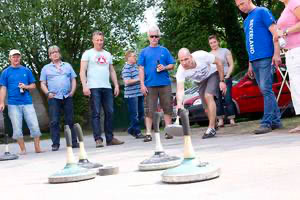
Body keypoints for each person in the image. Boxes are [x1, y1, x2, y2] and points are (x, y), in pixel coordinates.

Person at [235, 0, 282, 134]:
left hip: (266, 57)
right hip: (254, 60)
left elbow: (275, 32)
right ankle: (276, 121)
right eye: (238, 6)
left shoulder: (262, 11)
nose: (241, 7)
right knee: (265, 90)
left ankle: (266, 122)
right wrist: (250, 63)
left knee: (266, 89)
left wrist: (277, 53)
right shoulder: (246, 20)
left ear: (249, 0)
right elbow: (249, 43)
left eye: (242, 3)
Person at [80, 31, 124, 147]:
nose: (99, 42)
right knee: (96, 113)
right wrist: (85, 85)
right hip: (93, 87)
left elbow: (112, 70)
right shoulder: (88, 54)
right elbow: (82, 71)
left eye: (101, 40)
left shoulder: (107, 54)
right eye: (97, 40)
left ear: (103, 41)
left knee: (110, 112)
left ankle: (110, 139)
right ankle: (98, 139)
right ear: (93, 40)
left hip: (107, 87)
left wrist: (116, 85)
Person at [176, 48, 227, 139]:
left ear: (191, 57)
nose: (184, 63)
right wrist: (179, 104)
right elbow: (180, 90)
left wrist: (222, 81)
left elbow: (219, 62)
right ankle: (214, 124)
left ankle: (211, 128)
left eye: (186, 59)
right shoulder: (181, 70)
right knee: (206, 109)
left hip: (213, 74)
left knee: (208, 95)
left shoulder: (201, 55)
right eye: (181, 60)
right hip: (200, 82)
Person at [0, 49, 43, 154]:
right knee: (17, 128)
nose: (16, 58)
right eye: (14, 57)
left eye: (18, 56)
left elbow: (33, 85)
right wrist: (1, 102)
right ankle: (23, 150)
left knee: (34, 125)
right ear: (10, 58)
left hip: (27, 102)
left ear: (20, 58)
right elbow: (3, 88)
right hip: (13, 104)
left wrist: (26, 86)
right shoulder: (5, 72)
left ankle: (37, 148)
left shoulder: (26, 70)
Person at [138, 25, 175, 142]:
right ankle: (149, 133)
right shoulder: (143, 52)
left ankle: (168, 131)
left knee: (167, 107)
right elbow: (141, 69)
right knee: (149, 109)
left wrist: (164, 67)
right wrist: (142, 84)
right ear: (148, 37)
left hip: (164, 83)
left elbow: (172, 65)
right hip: (149, 84)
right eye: (151, 36)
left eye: (156, 36)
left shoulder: (164, 50)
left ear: (159, 37)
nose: (154, 38)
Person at [40, 45, 79, 151]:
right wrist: (48, 93)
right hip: (54, 98)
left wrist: (72, 91)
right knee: (54, 121)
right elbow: (42, 83)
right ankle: (55, 144)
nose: (55, 54)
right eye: (52, 53)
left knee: (70, 120)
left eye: (56, 51)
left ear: (59, 53)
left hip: (67, 96)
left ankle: (74, 142)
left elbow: (73, 80)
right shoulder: (46, 68)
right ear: (49, 56)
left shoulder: (67, 66)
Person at [276, 0, 300, 133]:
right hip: (291, 52)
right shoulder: (286, 7)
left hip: (298, 50)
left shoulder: (294, 2)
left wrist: (285, 32)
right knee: (297, 88)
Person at [208, 35, 236, 127]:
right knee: (218, 100)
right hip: (214, 78)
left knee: (228, 98)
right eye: (211, 43)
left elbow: (231, 64)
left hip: (226, 77)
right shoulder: (208, 55)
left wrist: (227, 76)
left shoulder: (225, 51)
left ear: (218, 42)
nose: (213, 44)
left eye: (214, 42)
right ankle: (220, 120)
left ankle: (231, 118)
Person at [122, 50, 145, 139]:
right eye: (133, 56)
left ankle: (131, 129)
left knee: (141, 113)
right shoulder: (126, 68)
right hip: (131, 95)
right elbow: (127, 81)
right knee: (134, 114)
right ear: (128, 58)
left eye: (135, 56)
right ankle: (137, 132)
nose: (135, 57)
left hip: (139, 93)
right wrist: (139, 78)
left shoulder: (136, 67)